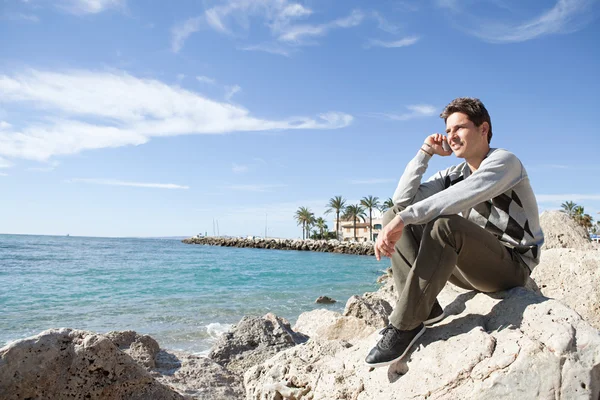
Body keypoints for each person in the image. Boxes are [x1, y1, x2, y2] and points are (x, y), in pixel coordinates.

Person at [365, 97, 544, 368]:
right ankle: (425, 312)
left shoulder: (504, 162)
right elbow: (401, 202)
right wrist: (425, 153)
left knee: (443, 224)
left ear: (483, 129)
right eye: (448, 131)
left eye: (459, 128)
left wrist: (404, 218)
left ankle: (404, 325)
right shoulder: (454, 173)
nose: (451, 137)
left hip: (511, 267)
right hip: (469, 269)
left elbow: (461, 196)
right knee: (393, 215)